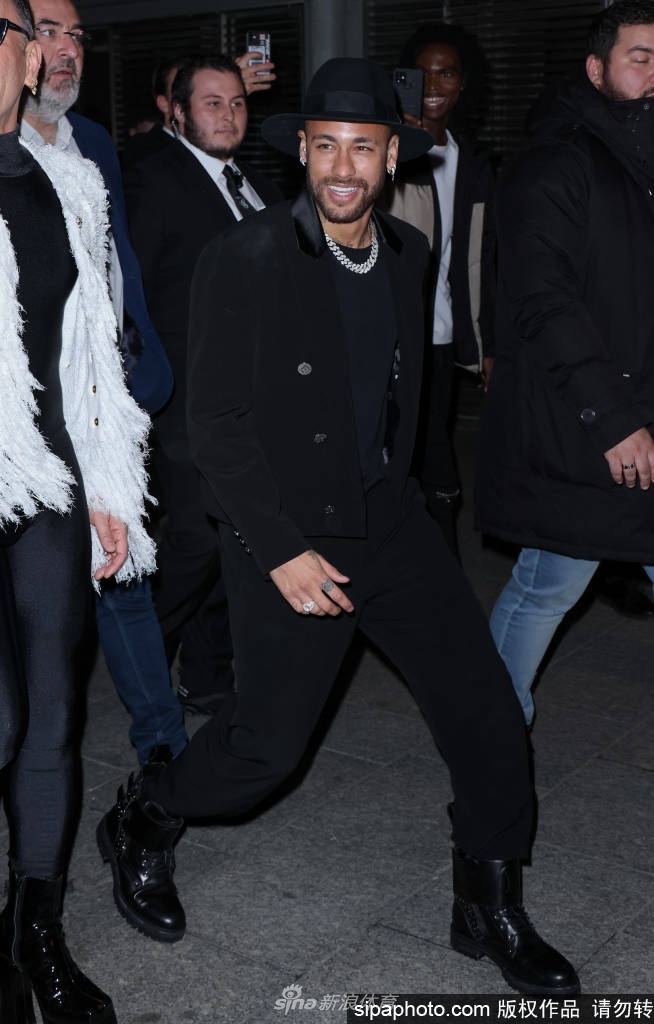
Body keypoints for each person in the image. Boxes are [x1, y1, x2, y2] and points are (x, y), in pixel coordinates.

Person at [97, 58, 579, 996]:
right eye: (325, 147)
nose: (342, 167)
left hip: (387, 520)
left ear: (391, 156)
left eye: (362, 147)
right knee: (263, 751)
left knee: (486, 711)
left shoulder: (407, 251)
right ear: (304, 155)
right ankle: (143, 815)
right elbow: (215, 425)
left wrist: (424, 497)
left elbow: (402, 395)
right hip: (288, 529)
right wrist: (279, 551)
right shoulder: (245, 257)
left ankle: (486, 900)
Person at [0, 0, 155, 1018]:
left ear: (25, 59)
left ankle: (34, 931)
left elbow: (91, 350)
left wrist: (108, 484)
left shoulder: (70, 181)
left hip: (46, 481)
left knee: (53, 713)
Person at [478, 0, 654, 725]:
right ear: (596, 69)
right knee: (549, 585)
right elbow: (543, 305)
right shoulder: (555, 162)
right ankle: (492, 737)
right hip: (588, 427)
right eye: (640, 58)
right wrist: (612, 419)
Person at [20, 0, 188, 767]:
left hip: (105, 403)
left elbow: (117, 258)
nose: (68, 50)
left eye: (77, 37)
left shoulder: (91, 140)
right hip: (30, 418)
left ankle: (162, 752)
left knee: (125, 575)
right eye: (49, 32)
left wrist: (142, 354)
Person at [124, 54, 282, 715]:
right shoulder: (154, 177)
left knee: (235, 536)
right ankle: (140, 664)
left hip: (249, 400)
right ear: (176, 112)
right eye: (212, 102)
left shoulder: (252, 182)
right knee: (198, 538)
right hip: (183, 399)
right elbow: (126, 292)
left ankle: (207, 672)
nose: (228, 114)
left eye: (237, 102)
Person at [385, 23, 496, 557]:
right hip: (390, 334)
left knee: (432, 448)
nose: (433, 85)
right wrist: (397, 143)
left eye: (446, 73)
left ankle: (436, 568)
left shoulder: (471, 158)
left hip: (444, 333)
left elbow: (482, 258)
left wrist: (487, 343)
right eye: (421, 73)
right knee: (406, 456)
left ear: (463, 83)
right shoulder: (386, 150)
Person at [122, 48, 276, 170]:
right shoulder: (145, 152)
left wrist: (231, 88)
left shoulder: (237, 168)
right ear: (166, 103)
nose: (228, 115)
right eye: (213, 102)